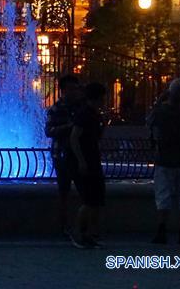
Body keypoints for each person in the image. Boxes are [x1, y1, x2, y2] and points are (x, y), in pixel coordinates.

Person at [147, 78, 180, 245]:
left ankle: (162, 230)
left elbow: (149, 121)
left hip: (164, 159)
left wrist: (160, 99)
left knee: (163, 195)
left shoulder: (162, 112)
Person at [69, 82, 107, 249]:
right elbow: (74, 137)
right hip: (87, 162)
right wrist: (81, 160)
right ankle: (78, 233)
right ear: (98, 98)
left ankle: (89, 234)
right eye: (103, 98)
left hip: (93, 160)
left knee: (96, 199)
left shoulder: (93, 114)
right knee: (89, 199)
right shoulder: (84, 114)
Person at [44, 74, 80, 239]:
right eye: (71, 89)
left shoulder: (80, 108)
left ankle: (78, 225)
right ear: (63, 90)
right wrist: (69, 127)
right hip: (62, 154)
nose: (74, 92)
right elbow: (49, 131)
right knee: (64, 191)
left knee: (81, 190)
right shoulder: (56, 109)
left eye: (76, 89)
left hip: (77, 153)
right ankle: (64, 225)